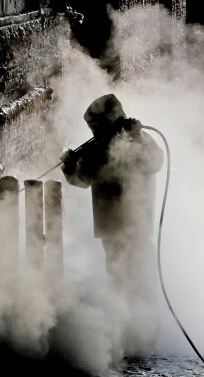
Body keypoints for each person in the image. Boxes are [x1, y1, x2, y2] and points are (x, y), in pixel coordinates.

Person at [59, 94, 165, 352]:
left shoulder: (138, 140)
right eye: (91, 128)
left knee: (141, 278)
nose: (94, 132)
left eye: (96, 126)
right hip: (110, 228)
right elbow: (81, 180)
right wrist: (69, 166)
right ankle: (127, 334)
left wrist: (138, 136)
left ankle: (146, 335)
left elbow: (156, 162)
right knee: (118, 280)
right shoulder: (96, 150)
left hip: (136, 227)